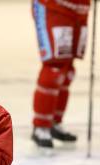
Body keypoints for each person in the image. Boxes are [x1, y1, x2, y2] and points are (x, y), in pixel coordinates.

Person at [31, 0, 91, 148]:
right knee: (54, 67)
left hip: (80, 7)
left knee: (68, 69)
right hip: (53, 5)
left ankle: (54, 122)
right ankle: (41, 126)